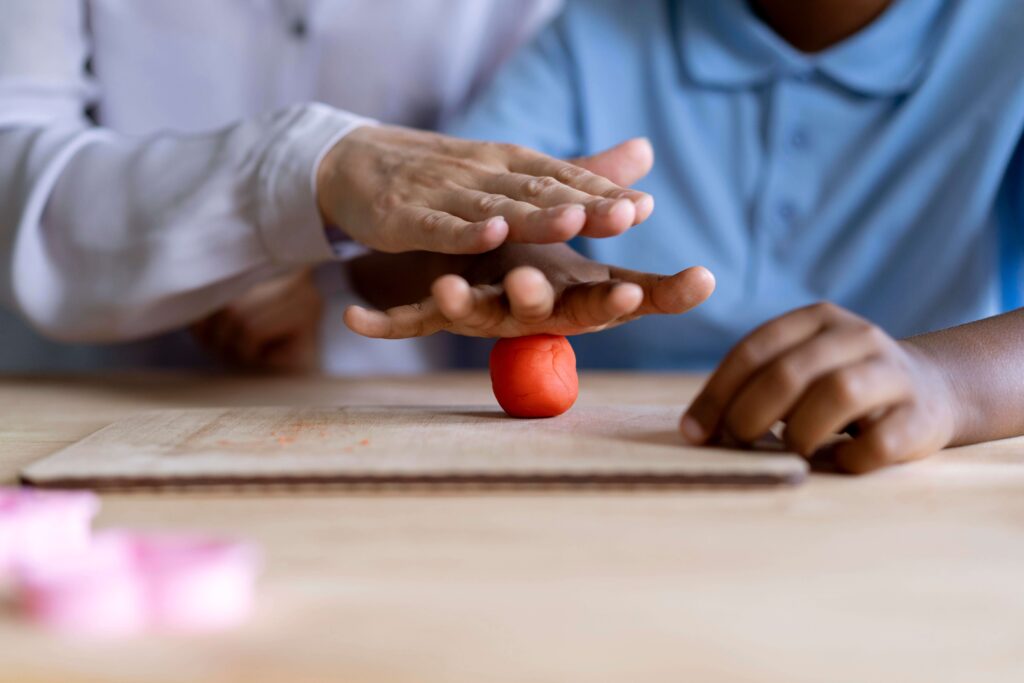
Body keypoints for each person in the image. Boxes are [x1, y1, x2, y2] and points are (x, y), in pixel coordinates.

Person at [348, 0, 1024, 472]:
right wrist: (517, 246)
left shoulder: (1006, 36)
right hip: (599, 468)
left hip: (887, 475)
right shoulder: (599, 31)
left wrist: (946, 384)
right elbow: (394, 243)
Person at [0, 0, 713, 373]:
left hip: (384, 410)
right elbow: (12, 159)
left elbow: (492, 165)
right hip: (79, 397)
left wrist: (522, 245)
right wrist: (311, 172)